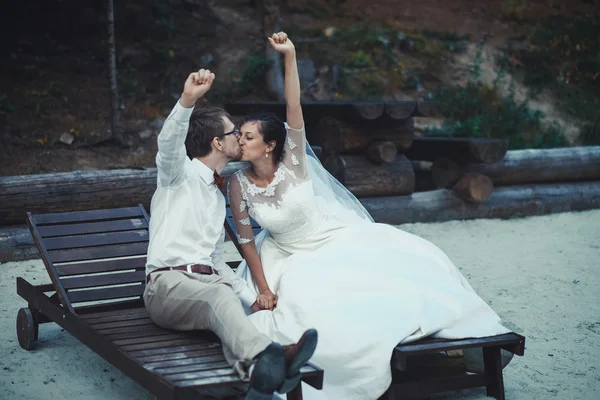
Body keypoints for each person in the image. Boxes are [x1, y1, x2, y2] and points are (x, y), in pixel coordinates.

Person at [227, 32, 511, 399]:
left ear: (269, 144)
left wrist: (290, 56)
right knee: (308, 301)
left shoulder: (293, 160)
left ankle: (450, 342)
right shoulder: (239, 183)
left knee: (411, 262)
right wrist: (264, 289)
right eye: (239, 134)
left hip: (333, 235)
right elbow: (247, 240)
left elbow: (293, 106)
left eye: (247, 135)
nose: (239, 139)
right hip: (288, 254)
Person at [143, 68, 318, 399]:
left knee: (244, 306)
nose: (239, 136)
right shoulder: (176, 177)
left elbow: (214, 259)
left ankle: (260, 375)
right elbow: (167, 144)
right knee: (220, 298)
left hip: (208, 284)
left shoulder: (215, 192)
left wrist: (257, 299)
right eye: (233, 132)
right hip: (166, 287)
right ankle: (272, 357)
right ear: (216, 142)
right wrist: (187, 100)